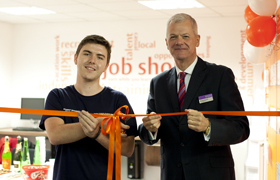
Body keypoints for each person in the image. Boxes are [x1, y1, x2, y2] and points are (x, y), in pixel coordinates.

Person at [138, 13, 250, 180]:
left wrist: (208, 126)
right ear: (166, 43)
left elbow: (241, 129)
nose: (179, 42)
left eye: (185, 36)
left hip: (212, 175)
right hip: (172, 174)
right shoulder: (158, 83)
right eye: (173, 37)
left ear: (197, 40)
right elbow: (146, 132)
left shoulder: (220, 75)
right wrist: (150, 129)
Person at [39, 34, 138, 180]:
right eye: (87, 54)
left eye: (100, 57)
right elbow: (55, 135)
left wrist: (97, 134)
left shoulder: (118, 100)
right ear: (75, 58)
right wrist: (100, 122)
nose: (92, 60)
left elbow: (127, 148)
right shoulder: (58, 96)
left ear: (106, 66)